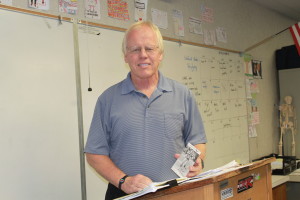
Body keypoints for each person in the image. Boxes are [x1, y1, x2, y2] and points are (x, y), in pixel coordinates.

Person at [84, 21, 207, 200]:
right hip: (124, 194)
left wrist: (192, 163)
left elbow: (197, 140)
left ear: (160, 54)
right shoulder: (108, 99)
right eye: (135, 49)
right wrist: (123, 181)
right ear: (125, 56)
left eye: (149, 48)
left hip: (176, 192)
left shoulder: (182, 94)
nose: (143, 55)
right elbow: (94, 153)